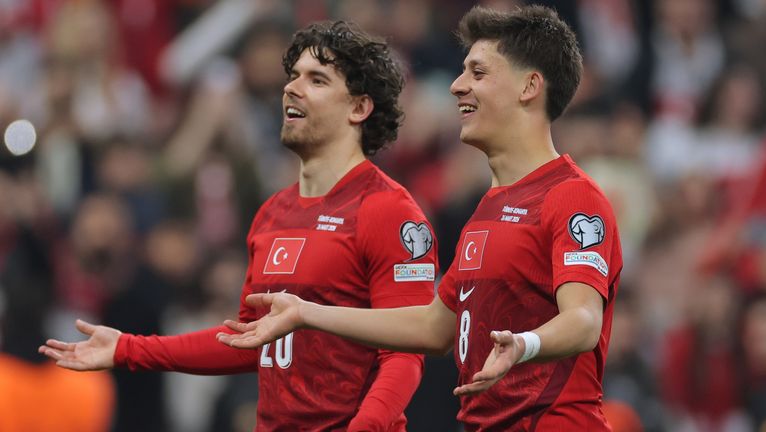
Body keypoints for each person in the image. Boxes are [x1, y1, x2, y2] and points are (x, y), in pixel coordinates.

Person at [218, 5, 623, 431]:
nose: (456, 86)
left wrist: (525, 344)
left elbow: (583, 321)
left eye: (478, 73)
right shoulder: (487, 209)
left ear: (530, 86)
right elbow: (434, 327)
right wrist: (306, 313)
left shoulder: (573, 196)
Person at [39, 20, 438, 431]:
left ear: (359, 108)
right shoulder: (271, 214)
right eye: (293, 75)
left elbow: (406, 352)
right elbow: (246, 340)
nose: (292, 88)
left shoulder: (390, 211)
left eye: (316, 80)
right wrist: (129, 347)